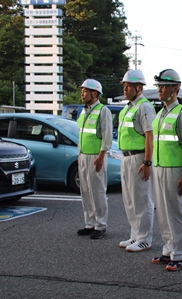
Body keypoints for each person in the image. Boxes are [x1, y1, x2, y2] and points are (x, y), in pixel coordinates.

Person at [151, 69, 182, 271]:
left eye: (163, 86)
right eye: (158, 86)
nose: (159, 90)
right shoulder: (160, 114)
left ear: (175, 88)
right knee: (162, 212)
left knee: (175, 212)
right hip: (159, 168)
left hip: (175, 169)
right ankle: (168, 249)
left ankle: (179, 253)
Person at [118, 69, 156, 252]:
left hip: (139, 157)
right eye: (124, 86)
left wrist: (147, 162)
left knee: (141, 198)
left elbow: (150, 136)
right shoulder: (129, 107)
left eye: (128, 86)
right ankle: (135, 235)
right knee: (129, 199)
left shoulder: (144, 107)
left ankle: (145, 238)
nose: (125, 89)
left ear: (139, 87)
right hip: (126, 157)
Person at [76, 79, 113, 240]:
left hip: (96, 156)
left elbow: (107, 135)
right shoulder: (83, 111)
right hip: (83, 155)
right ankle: (89, 223)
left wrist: (101, 155)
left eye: (85, 91)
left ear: (95, 93)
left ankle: (100, 225)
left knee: (97, 191)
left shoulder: (102, 110)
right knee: (85, 191)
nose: (82, 94)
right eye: (81, 91)